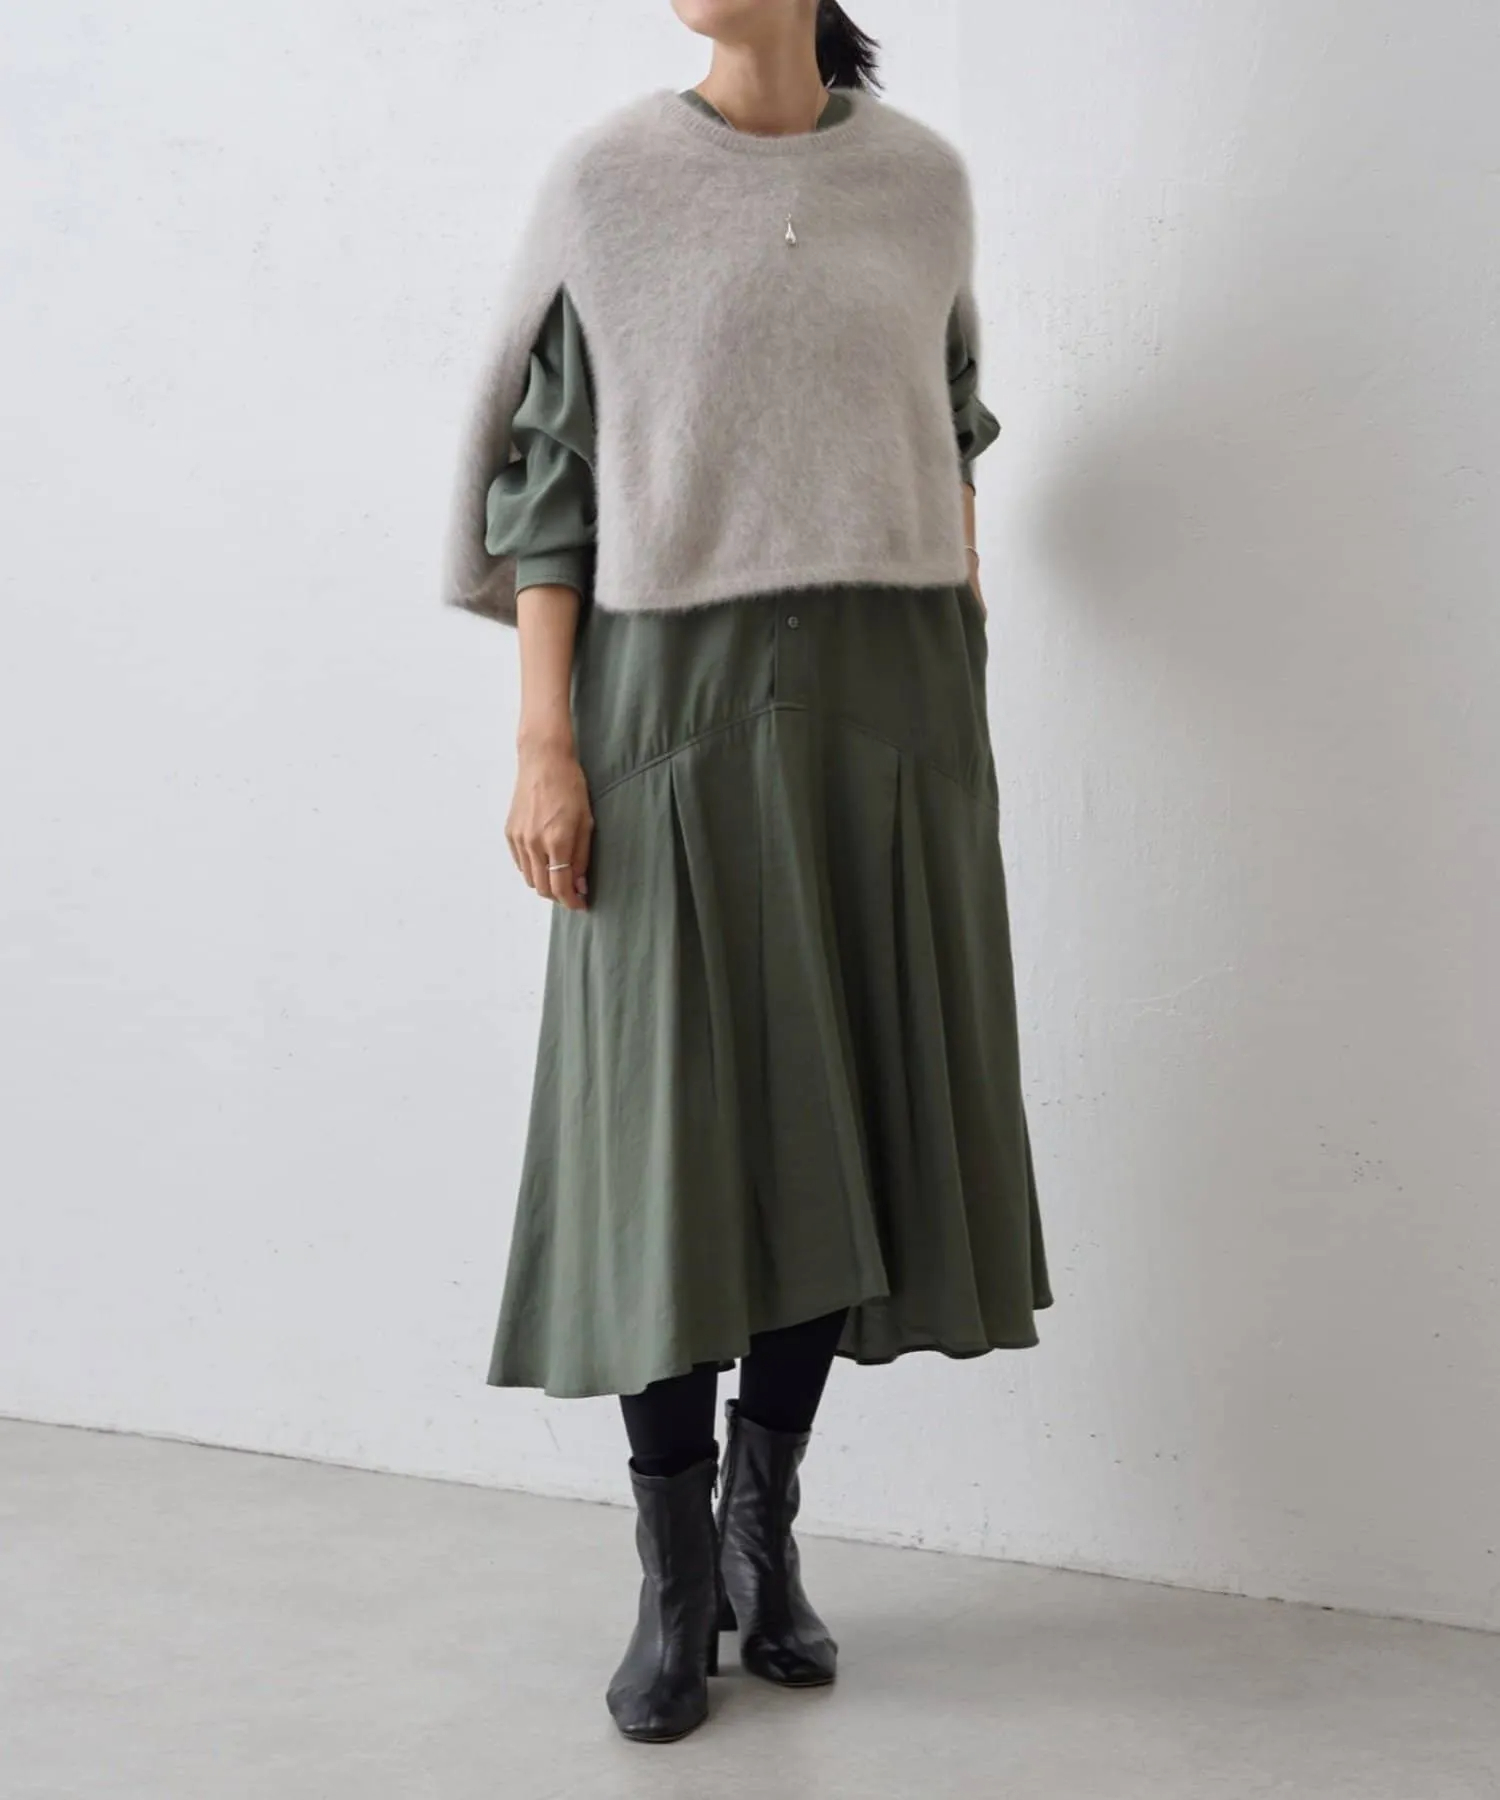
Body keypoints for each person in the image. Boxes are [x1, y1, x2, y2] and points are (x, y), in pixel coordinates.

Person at [438, 0, 1054, 1746]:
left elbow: (950, 425)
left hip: (887, 702)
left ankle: (759, 1538)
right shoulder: (612, 182)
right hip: (669, 703)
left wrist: (959, 624)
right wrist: (543, 741)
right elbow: (549, 478)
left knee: (835, 1111)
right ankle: (671, 1581)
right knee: (671, 1138)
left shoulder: (922, 183)